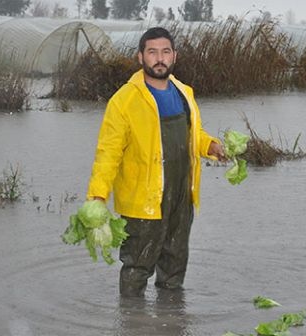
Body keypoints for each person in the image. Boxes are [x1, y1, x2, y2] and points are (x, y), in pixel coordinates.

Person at [86, 27, 226, 297]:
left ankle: (171, 320)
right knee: (137, 267)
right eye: (152, 52)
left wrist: (210, 145)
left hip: (181, 199)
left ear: (175, 56)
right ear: (140, 57)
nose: (159, 58)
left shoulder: (184, 92)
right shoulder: (124, 101)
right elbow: (108, 153)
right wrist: (97, 196)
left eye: (165, 52)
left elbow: (191, 134)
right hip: (143, 202)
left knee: (175, 266)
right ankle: (131, 321)